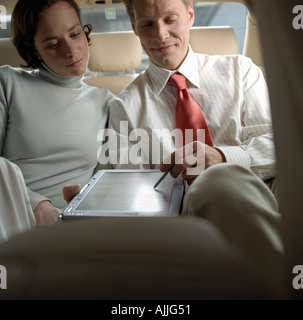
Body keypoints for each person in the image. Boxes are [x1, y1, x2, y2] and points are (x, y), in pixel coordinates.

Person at [104, 0, 283, 284]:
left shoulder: (241, 71)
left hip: (267, 193)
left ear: (189, 16)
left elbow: (281, 146)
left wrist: (222, 157)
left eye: (170, 19)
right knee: (218, 181)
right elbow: (131, 195)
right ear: (134, 27)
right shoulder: (124, 107)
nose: (160, 34)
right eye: (147, 24)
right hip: (187, 217)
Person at [0, 0, 114, 239]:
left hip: (70, 227)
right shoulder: (7, 83)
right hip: (10, 215)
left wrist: (81, 205)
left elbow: (106, 183)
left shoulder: (107, 103)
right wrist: (35, 205)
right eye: (53, 44)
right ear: (33, 51)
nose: (71, 51)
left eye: (75, 34)